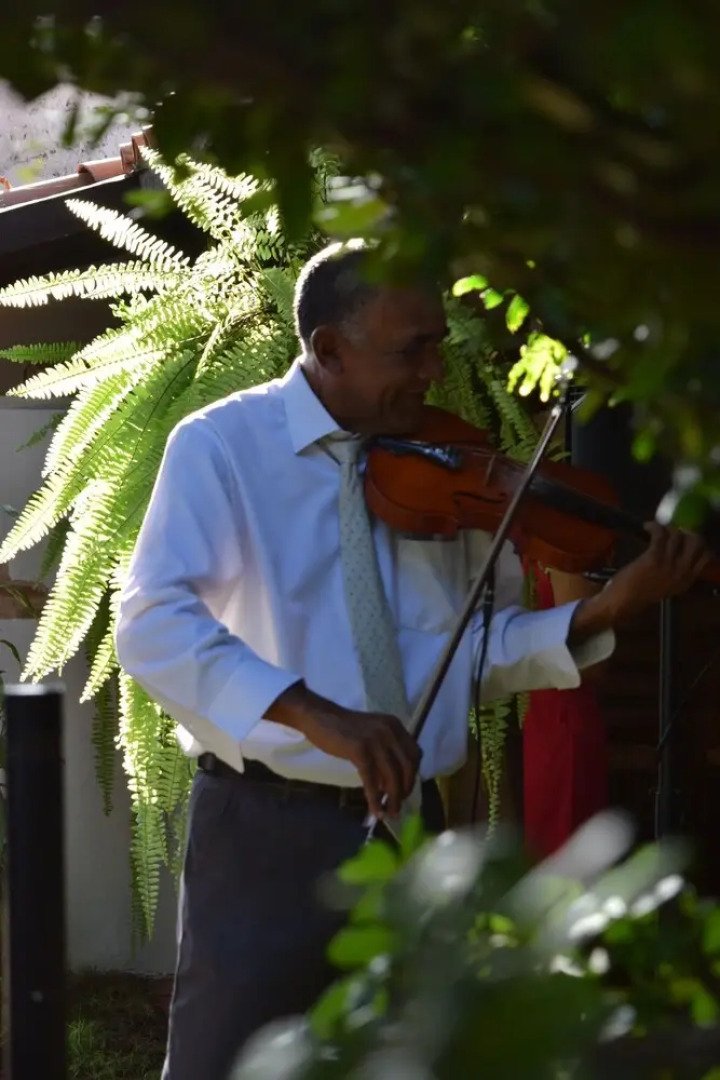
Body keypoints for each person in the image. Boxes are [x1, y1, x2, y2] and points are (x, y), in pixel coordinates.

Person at [115, 242, 710, 1080]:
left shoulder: (442, 462)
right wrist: (317, 715)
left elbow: (474, 651)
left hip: (410, 827)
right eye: (410, 351)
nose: (434, 370)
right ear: (327, 349)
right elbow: (150, 623)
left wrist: (608, 607)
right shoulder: (218, 446)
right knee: (229, 1064)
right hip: (265, 833)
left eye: (439, 344)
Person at [523, 564, 610, 857]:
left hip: (562, 715)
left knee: (562, 847)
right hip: (535, 712)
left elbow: (589, 662)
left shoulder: (566, 545)